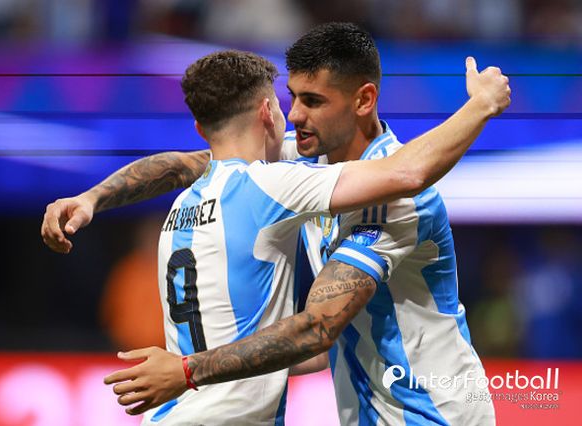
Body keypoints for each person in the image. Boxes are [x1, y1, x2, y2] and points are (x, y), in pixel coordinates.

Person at [42, 24, 510, 426]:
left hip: (434, 413)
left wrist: (482, 104)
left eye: (313, 101)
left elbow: (318, 327)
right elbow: (194, 163)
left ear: (364, 100)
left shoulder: (391, 200)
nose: (296, 115)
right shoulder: (303, 160)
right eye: (293, 98)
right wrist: (91, 198)